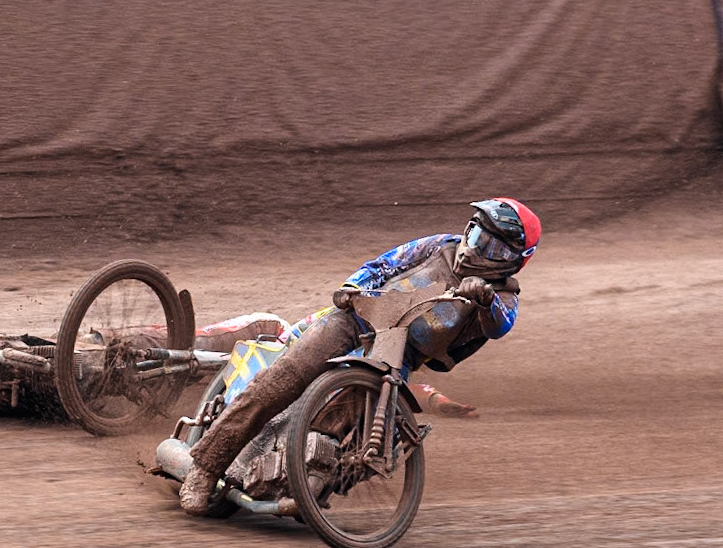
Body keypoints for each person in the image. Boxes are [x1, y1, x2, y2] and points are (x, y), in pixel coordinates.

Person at [179, 198, 542, 515]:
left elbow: (500, 324)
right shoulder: (439, 246)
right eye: (477, 235)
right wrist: (353, 286)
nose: (476, 248)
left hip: (398, 352)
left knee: (339, 418)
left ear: (512, 260)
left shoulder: (503, 297)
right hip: (358, 318)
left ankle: (299, 481)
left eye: (491, 246)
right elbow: (383, 265)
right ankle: (206, 468)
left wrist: (485, 298)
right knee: (282, 379)